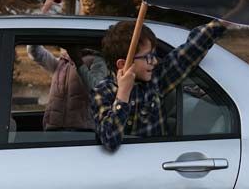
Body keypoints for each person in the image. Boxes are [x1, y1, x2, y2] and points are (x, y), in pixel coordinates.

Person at [91, 19, 228, 151]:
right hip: (126, 169)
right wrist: (123, 95)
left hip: (158, 160)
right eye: (148, 57)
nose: (155, 61)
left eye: (154, 55)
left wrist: (223, 22)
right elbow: (109, 140)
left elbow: (191, 50)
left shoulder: (156, 80)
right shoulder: (102, 92)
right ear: (122, 64)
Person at [26, 0, 108, 131]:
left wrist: (78, 61)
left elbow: (97, 92)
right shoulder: (61, 63)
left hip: (82, 133)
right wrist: (44, 12)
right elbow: (34, 51)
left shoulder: (97, 61)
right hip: (53, 129)